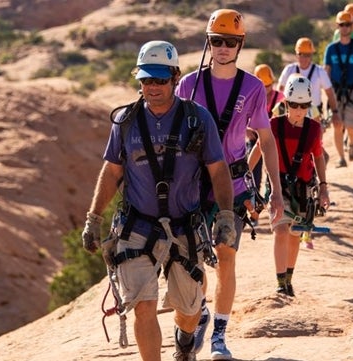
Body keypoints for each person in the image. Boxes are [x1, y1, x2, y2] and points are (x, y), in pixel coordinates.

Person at [81, 40, 236, 361]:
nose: (152, 87)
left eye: (160, 80)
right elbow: (111, 173)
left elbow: (218, 170)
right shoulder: (125, 121)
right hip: (137, 226)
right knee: (144, 306)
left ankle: (185, 340)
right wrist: (93, 219)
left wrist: (225, 216)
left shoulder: (198, 119)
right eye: (146, 79)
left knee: (189, 308)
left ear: (176, 78)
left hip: (185, 227)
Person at [176, 9, 284, 360]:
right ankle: (201, 311)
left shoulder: (252, 88)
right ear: (208, 42)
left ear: (240, 45)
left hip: (233, 189)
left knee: (226, 259)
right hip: (193, 188)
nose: (222, 48)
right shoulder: (188, 85)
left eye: (230, 42)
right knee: (193, 264)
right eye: (216, 41)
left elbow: (266, 140)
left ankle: (219, 335)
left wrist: (277, 192)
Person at [249, 75, 330, 296]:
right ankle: (279, 282)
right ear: (285, 104)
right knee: (281, 230)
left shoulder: (313, 129)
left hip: (302, 190)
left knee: (295, 234)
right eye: (294, 105)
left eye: (303, 106)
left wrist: (324, 187)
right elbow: (258, 149)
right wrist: (245, 176)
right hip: (278, 186)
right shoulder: (274, 125)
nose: (298, 110)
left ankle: (288, 279)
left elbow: (319, 157)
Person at [277, 37, 341, 170]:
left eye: (308, 55)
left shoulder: (319, 72)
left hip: (314, 112)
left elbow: (330, 93)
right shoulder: (289, 70)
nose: (304, 58)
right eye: (301, 54)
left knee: (313, 144)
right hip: (292, 109)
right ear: (297, 54)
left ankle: (315, 172)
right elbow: (280, 92)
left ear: (312, 55)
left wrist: (335, 112)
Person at [324, 10, 353, 168]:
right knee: (338, 126)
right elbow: (327, 72)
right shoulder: (331, 49)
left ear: (352, 26)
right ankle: (341, 158)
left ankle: (351, 142)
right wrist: (326, 94)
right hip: (336, 92)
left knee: (350, 126)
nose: (344, 28)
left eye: (347, 25)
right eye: (341, 25)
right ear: (337, 26)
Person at [248, 64, 285, 192]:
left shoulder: (280, 98)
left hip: (274, 141)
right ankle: (254, 196)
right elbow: (240, 117)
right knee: (253, 174)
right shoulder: (251, 98)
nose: (266, 89)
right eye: (263, 86)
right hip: (254, 139)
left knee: (274, 171)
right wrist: (246, 130)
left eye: (268, 85)